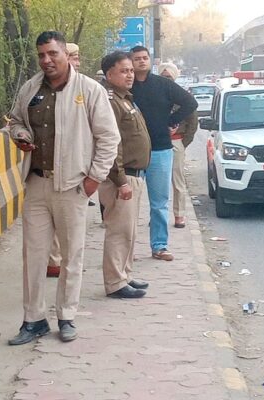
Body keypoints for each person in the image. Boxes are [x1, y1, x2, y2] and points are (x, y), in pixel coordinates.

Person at [8, 31, 120, 345]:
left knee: (72, 254)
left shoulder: (89, 90)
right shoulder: (30, 89)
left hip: (73, 185)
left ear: (65, 54)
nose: (46, 60)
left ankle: (66, 316)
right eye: (41, 55)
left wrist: (94, 178)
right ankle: (33, 320)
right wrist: (19, 134)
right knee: (34, 255)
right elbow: (14, 120)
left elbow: (109, 138)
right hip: (36, 183)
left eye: (52, 54)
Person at [129, 46, 198, 261]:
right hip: (132, 151)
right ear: (130, 62)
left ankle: (159, 246)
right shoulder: (125, 87)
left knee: (159, 203)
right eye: (137, 59)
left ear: (150, 61)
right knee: (128, 204)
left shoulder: (163, 85)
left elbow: (190, 103)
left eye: (145, 58)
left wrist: (171, 121)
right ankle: (126, 249)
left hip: (160, 149)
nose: (141, 61)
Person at [99, 51, 151, 298]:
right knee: (119, 230)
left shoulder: (125, 99)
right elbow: (111, 145)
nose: (130, 75)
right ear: (109, 75)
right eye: (124, 71)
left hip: (134, 175)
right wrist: (120, 181)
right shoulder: (110, 101)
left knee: (129, 230)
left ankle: (125, 274)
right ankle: (115, 282)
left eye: (131, 70)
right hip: (121, 177)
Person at [46, 42, 84, 279]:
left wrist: (94, 177)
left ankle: (62, 264)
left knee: (68, 228)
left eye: (78, 58)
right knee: (52, 221)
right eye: (73, 57)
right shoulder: (41, 89)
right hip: (49, 166)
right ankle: (53, 261)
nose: (77, 62)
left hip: (74, 169)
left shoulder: (85, 88)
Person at [158, 62, 198, 229]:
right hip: (157, 141)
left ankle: (179, 215)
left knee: (178, 181)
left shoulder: (182, 96)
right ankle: (157, 216)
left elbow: (193, 123)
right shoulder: (154, 94)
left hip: (176, 141)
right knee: (157, 182)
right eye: (163, 76)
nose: (166, 79)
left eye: (169, 77)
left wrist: (182, 142)